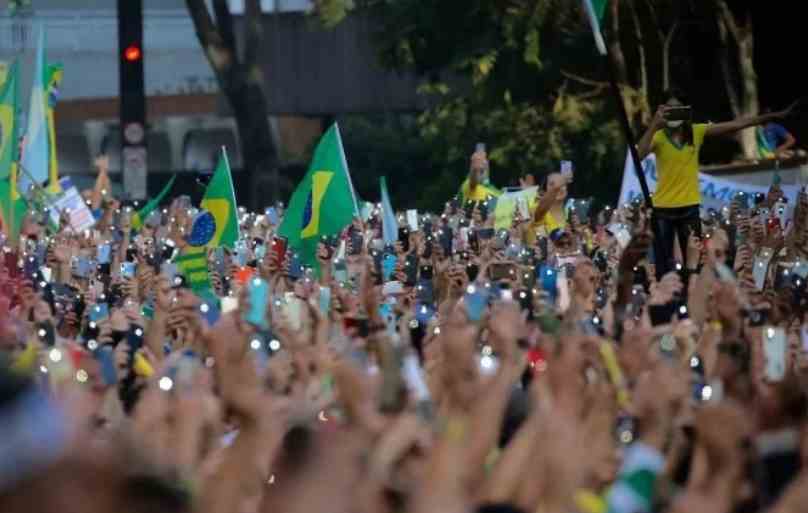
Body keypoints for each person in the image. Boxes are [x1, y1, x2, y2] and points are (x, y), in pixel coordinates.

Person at [637, 88, 795, 278]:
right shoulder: (658, 137)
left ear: (686, 111)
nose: (674, 113)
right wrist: (654, 125)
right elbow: (638, 155)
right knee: (663, 264)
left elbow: (737, 124)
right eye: (669, 109)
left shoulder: (696, 132)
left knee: (693, 264)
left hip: (689, 208)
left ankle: (690, 299)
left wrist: (772, 116)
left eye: (678, 108)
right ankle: (664, 301)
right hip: (662, 208)